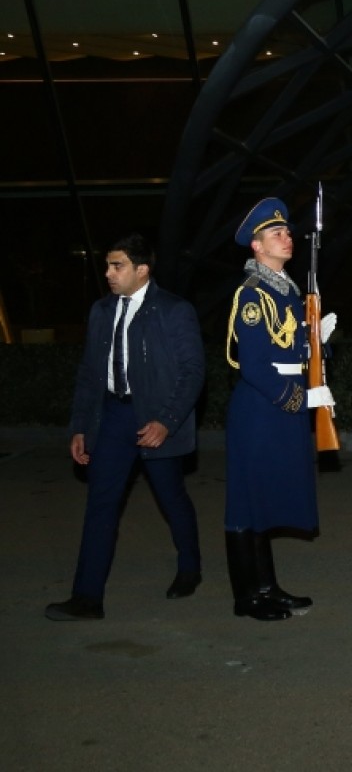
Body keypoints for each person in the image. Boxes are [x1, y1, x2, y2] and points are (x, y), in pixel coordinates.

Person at [45, 234, 205, 621]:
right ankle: (87, 598)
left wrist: (166, 421)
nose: (108, 273)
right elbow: (89, 374)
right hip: (113, 417)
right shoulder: (101, 311)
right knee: (101, 504)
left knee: (171, 497)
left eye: (117, 266)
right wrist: (80, 426)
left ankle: (190, 568)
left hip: (154, 417)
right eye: (108, 265)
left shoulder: (174, 310)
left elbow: (193, 371)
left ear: (142, 269)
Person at [224, 198, 335, 622]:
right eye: (276, 233)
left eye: (287, 232)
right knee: (248, 503)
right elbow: (253, 365)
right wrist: (299, 399)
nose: (287, 238)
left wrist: (315, 343)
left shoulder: (285, 289)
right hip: (261, 408)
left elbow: (287, 346)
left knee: (266, 500)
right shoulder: (253, 294)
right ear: (256, 245)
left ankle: (268, 588)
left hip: (279, 405)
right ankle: (247, 597)